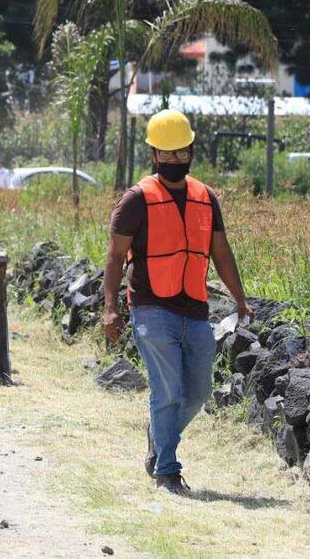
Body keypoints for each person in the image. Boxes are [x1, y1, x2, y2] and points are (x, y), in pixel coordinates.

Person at [103, 109, 253, 496]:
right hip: (151, 309)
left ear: (191, 151)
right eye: (165, 154)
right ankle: (167, 471)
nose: (173, 160)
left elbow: (221, 252)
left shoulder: (206, 197)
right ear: (153, 153)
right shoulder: (135, 200)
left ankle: (158, 433)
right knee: (167, 390)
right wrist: (110, 307)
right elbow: (115, 257)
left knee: (198, 393)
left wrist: (239, 298)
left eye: (180, 152)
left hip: (196, 311)